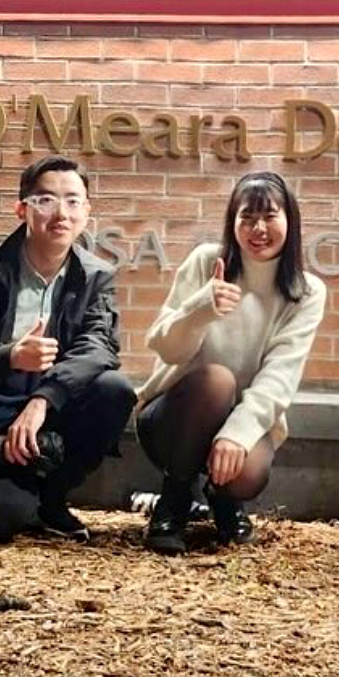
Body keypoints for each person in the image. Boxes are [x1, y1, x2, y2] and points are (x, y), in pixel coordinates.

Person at [0, 155, 134, 544]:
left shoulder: (96, 277)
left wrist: (43, 399)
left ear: (87, 212)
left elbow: (100, 345)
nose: (61, 213)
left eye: (73, 201)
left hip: (51, 415)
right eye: (46, 200)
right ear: (22, 208)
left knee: (114, 390)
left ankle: (51, 497)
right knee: (3, 519)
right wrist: (9, 356)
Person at [136, 171, 327, 553]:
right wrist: (200, 308)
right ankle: (173, 500)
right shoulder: (208, 262)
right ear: (232, 222)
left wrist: (236, 435)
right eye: (247, 217)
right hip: (172, 420)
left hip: (241, 422)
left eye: (270, 216)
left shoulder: (306, 292)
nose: (258, 228)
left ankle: (223, 500)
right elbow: (163, 346)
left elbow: (280, 378)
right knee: (217, 380)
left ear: (290, 220)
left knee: (247, 473)